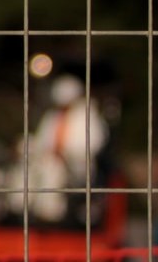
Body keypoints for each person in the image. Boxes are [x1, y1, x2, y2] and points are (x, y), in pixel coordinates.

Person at [10, 69, 110, 225]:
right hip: (47, 160)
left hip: (76, 167)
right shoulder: (52, 117)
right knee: (25, 169)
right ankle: (20, 207)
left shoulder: (87, 116)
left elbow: (94, 145)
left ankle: (50, 214)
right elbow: (41, 141)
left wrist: (64, 152)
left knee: (52, 170)